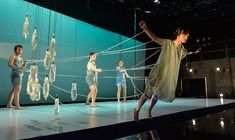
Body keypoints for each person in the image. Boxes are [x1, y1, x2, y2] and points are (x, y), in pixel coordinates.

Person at [134, 21, 200, 122]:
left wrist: (194, 52)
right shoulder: (167, 43)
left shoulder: (182, 50)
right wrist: (145, 28)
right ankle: (136, 110)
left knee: (157, 95)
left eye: (188, 36)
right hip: (159, 73)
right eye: (185, 35)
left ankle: (149, 110)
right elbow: (154, 38)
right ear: (179, 33)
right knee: (148, 93)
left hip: (168, 75)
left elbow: (188, 53)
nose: (187, 37)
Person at [7, 44, 26, 110]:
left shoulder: (21, 59)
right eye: (18, 49)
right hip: (16, 75)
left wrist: (24, 64)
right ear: (15, 50)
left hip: (20, 75)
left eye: (21, 49)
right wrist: (19, 67)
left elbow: (22, 68)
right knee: (17, 90)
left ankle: (9, 104)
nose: (20, 50)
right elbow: (9, 65)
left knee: (14, 90)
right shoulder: (13, 56)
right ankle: (17, 106)